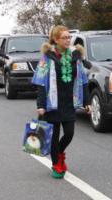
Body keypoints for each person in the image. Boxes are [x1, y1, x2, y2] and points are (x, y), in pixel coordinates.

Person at [32, 25, 91, 179]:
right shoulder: (48, 57)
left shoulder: (75, 56)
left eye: (68, 37)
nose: (68, 40)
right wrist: (41, 105)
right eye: (64, 37)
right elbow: (41, 82)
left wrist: (87, 101)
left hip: (69, 102)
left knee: (69, 133)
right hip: (52, 103)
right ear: (56, 39)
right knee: (54, 135)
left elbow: (83, 80)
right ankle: (56, 164)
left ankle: (58, 153)